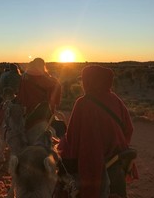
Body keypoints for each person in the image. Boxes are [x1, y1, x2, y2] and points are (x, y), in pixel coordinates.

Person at [57, 65, 137, 198]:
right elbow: (129, 129)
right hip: (118, 160)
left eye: (83, 80)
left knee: (61, 175)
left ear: (88, 81)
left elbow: (72, 138)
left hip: (94, 162)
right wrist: (115, 145)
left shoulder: (82, 103)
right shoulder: (115, 99)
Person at [16, 57, 62, 144]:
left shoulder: (24, 78)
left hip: (31, 112)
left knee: (18, 131)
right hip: (47, 113)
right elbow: (57, 88)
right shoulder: (49, 79)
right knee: (60, 130)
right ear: (43, 66)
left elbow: (21, 98)